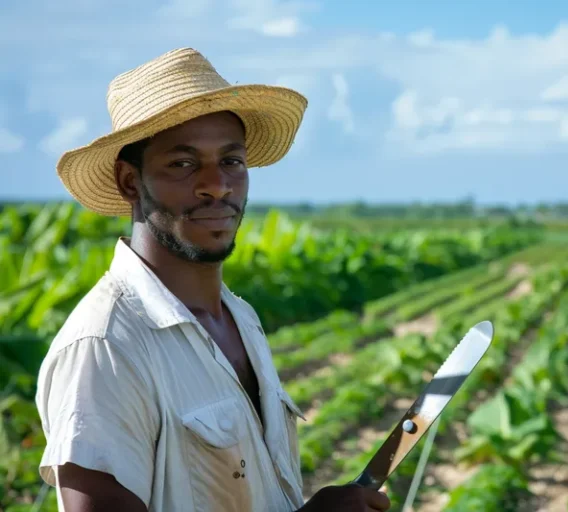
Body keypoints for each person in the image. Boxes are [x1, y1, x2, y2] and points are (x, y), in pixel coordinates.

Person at [34, 47, 391, 512]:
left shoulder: (240, 317)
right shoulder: (105, 348)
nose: (217, 185)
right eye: (183, 164)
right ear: (128, 182)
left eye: (231, 162)